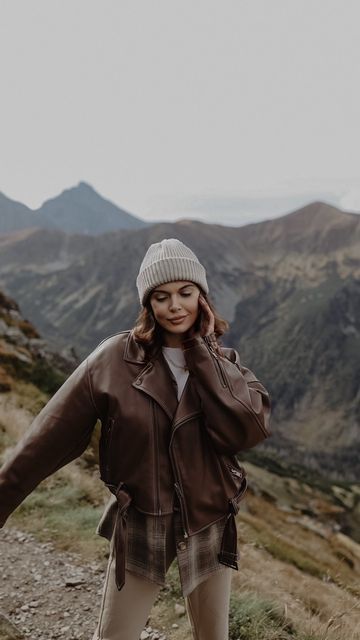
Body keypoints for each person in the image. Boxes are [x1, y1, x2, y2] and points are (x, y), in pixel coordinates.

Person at [0, 238, 271, 640]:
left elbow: (248, 430)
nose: (175, 306)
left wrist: (202, 354)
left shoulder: (225, 366)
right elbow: (47, 437)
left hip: (210, 520)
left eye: (185, 293)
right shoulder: (111, 360)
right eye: (161, 297)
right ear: (149, 304)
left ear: (202, 297)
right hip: (143, 521)